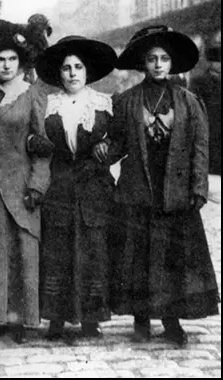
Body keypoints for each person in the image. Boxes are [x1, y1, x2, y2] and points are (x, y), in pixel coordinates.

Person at [98, 25, 220, 347]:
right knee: (138, 257)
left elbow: (200, 148)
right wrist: (101, 148)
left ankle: (172, 321)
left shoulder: (189, 102)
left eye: (164, 59)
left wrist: (198, 188)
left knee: (172, 259)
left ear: (172, 63)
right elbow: (118, 143)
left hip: (175, 193)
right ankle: (141, 320)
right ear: (143, 63)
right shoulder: (126, 101)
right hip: (138, 189)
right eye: (151, 58)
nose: (158, 64)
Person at [0, 20, 51, 344]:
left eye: (12, 59)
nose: (5, 65)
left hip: (21, 185)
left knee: (21, 252)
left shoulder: (31, 96)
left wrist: (37, 186)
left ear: (20, 62)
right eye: (0, 60)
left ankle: (21, 321)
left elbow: (43, 147)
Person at [35, 36, 117, 341]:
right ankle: (56, 317)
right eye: (67, 67)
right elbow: (35, 138)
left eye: (78, 67)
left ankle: (91, 319)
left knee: (92, 252)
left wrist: (108, 146)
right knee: (57, 252)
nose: (72, 73)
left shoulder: (104, 104)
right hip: (59, 186)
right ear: (59, 73)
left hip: (93, 184)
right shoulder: (48, 105)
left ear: (87, 71)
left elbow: (122, 139)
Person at [190, 39, 221, 175]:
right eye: (217, 61)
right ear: (211, 62)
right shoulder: (199, 82)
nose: (219, 65)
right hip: (209, 132)